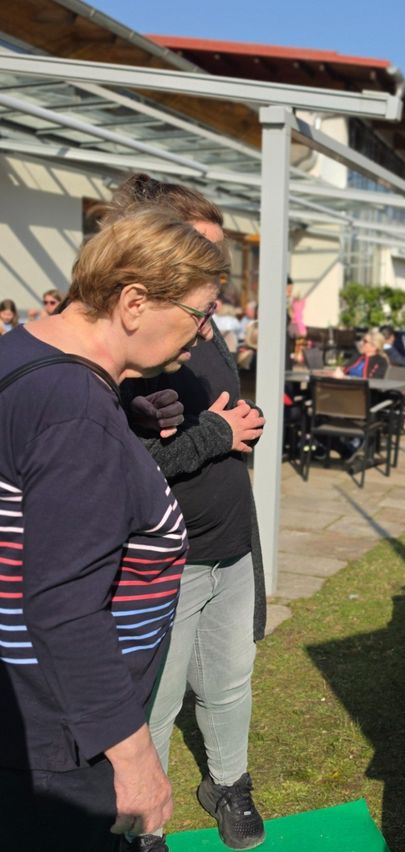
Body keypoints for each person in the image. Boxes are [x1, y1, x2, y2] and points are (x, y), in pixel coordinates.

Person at [0, 208, 227, 851]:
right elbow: (65, 607)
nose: (205, 334)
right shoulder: (76, 414)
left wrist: (120, 417)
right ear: (134, 301)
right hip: (61, 738)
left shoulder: (24, 355)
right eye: (199, 312)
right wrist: (134, 761)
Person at [112, 175, 267, 852]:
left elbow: (217, 425)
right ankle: (146, 824)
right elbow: (125, 464)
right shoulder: (131, 349)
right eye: (203, 260)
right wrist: (217, 435)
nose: (217, 285)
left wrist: (236, 428)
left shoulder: (208, 336)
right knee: (156, 702)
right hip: (164, 559)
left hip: (229, 543)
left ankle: (227, 783)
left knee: (232, 679)